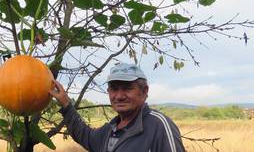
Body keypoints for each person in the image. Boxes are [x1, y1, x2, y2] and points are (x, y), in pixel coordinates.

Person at [49, 63, 186, 152]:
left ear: (144, 91)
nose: (119, 96)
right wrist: (66, 103)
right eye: (114, 89)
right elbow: (85, 135)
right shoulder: (111, 130)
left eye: (127, 88)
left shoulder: (159, 126)